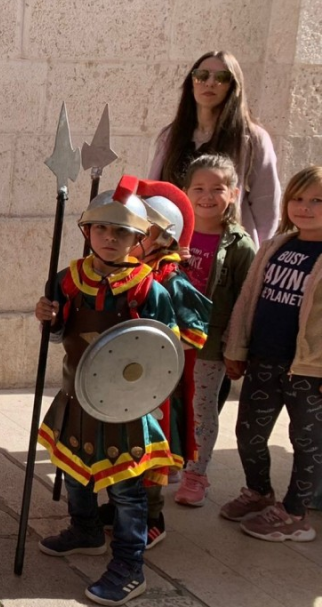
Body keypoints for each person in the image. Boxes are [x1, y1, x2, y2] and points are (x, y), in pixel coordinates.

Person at [34, 176, 178, 606]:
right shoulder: (67, 279)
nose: (110, 238)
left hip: (125, 406)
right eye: (101, 229)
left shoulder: (148, 289)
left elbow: (164, 350)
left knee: (126, 491)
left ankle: (129, 567)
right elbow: (60, 334)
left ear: (138, 237)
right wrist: (50, 318)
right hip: (77, 393)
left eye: (121, 231)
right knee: (74, 469)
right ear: (87, 231)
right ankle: (85, 529)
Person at [220, 166, 322, 543]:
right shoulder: (276, 246)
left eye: (316, 201)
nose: (305, 207)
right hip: (265, 360)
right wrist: (236, 348)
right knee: (248, 433)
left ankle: (296, 513)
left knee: (307, 440)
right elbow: (248, 299)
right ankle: (259, 492)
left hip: (309, 371)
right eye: (298, 198)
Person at [128, 180, 212, 548]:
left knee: (151, 454)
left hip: (157, 388)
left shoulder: (173, 282)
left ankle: (151, 517)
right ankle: (121, 510)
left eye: (140, 229)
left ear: (164, 236)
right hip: (125, 380)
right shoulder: (125, 270)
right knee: (123, 447)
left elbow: (190, 336)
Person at [173, 155, 256, 507]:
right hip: (168, 337)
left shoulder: (239, 246)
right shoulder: (174, 234)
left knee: (202, 409)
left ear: (234, 193)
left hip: (209, 344)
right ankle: (172, 460)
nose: (207, 196)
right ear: (184, 193)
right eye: (199, 188)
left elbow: (246, 301)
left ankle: (197, 474)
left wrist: (236, 347)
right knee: (170, 403)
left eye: (217, 189)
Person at [148, 50, 280, 247]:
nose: (209, 83)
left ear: (232, 86)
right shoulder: (171, 135)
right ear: (191, 83)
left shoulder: (252, 138)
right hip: (170, 244)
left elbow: (266, 204)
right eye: (201, 76)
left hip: (223, 251)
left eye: (221, 77)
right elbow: (155, 190)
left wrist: (256, 256)